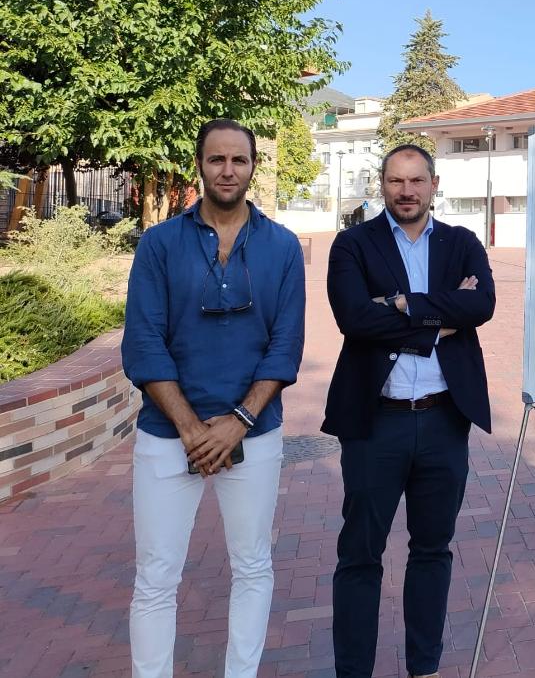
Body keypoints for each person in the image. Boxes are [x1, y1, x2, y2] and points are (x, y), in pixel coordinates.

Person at [121, 118, 306, 677]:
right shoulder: (159, 244)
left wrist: (239, 420)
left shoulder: (282, 247)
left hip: (254, 433)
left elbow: (285, 344)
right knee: (156, 576)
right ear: (198, 165)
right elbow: (144, 341)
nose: (228, 170)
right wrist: (190, 428)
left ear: (252, 167)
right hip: (166, 435)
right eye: (216, 159)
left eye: (239, 160)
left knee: (252, 566)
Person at [323, 143, 495, 678]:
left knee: (432, 550)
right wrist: (441, 318)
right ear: (382, 184)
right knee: (359, 556)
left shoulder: (462, 243)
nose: (406, 191)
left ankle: (424, 667)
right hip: (377, 424)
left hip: (445, 421)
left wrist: (402, 304)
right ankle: (354, 671)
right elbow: (354, 319)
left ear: (434, 183)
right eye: (396, 181)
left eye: (416, 181)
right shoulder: (353, 244)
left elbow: (482, 304)